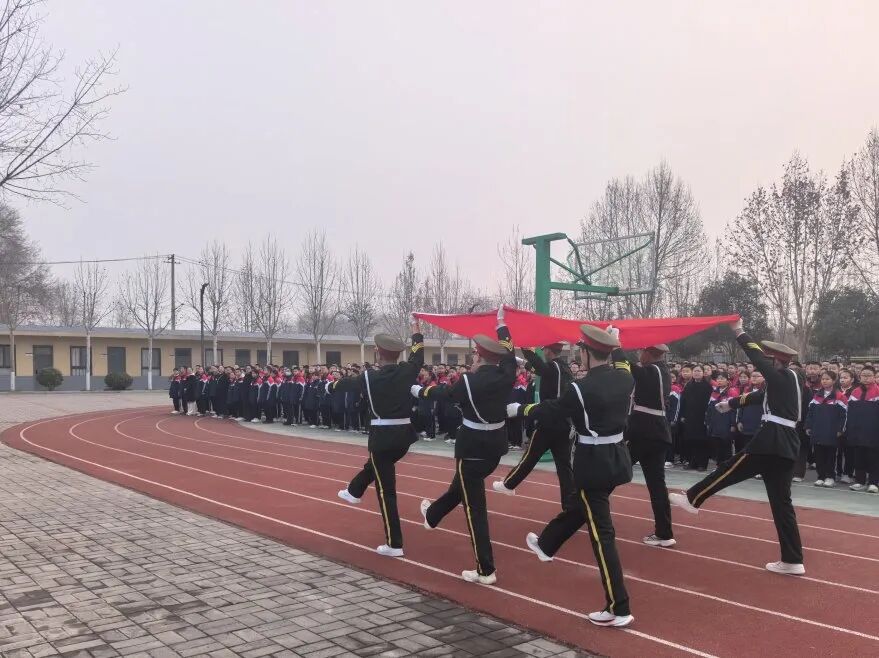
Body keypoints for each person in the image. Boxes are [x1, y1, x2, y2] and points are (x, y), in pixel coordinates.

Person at [509, 324, 634, 627]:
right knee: (582, 506)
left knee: (602, 534)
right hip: (617, 458)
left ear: (587, 353)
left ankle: (618, 607)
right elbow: (622, 362)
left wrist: (521, 410)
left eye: (581, 351)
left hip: (593, 463)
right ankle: (547, 544)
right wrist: (615, 342)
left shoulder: (581, 388)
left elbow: (554, 410)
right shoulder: (625, 378)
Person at [670, 318, 806, 576]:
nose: (763, 365)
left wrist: (739, 332)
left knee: (728, 469)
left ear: (775, 360)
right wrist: (731, 404)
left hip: (771, 440)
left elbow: (757, 360)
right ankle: (792, 559)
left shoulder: (782, 376)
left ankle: (692, 499)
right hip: (786, 444)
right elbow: (758, 396)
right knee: (782, 505)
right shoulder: (789, 380)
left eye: (768, 360)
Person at [415, 308, 516, 585]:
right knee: (460, 487)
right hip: (495, 448)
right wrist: (502, 325)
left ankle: (485, 570)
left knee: (475, 509)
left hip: (472, 448)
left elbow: (446, 393)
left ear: (478, 357)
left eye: (474, 355)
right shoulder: (507, 374)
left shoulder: (470, 381)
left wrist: (420, 391)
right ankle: (433, 515)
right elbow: (509, 353)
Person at [336, 319, 424, 557]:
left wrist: (330, 387)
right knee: (376, 466)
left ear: (378, 353)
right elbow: (418, 356)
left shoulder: (369, 377)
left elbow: (347, 384)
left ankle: (394, 544)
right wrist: (416, 332)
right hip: (404, 438)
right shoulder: (407, 371)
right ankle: (354, 490)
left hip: (382, 438)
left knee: (386, 492)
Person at [493, 341, 575, 510]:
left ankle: (509, 484)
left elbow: (541, 368)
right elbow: (540, 369)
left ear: (548, 351)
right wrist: (522, 361)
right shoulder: (563, 367)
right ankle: (569, 505)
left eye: (544, 349)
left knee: (530, 457)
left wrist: (525, 347)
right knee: (564, 467)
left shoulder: (553, 367)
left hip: (549, 422)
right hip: (563, 423)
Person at [612, 343, 676, 548]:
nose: (639, 355)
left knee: (612, 473)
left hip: (644, 434)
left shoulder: (653, 371)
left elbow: (625, 365)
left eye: (641, 352)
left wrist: (615, 345)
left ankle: (582, 512)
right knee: (657, 486)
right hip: (656, 434)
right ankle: (664, 533)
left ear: (648, 353)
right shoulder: (661, 371)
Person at [805, 370, 847, 487]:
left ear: (834, 381)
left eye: (827, 379)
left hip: (831, 432)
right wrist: (808, 426)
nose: (824, 381)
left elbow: (844, 415)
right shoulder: (816, 396)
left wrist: (840, 429)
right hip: (817, 430)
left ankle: (830, 477)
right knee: (818, 455)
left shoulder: (840, 396)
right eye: (823, 379)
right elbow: (810, 413)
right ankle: (821, 477)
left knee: (830, 456)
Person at [847, 366, 879, 493]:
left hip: (874, 431)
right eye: (863, 375)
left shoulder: (877, 392)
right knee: (859, 457)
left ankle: (873, 482)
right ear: (860, 377)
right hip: (857, 431)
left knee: (873, 458)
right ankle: (859, 481)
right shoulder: (855, 392)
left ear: (874, 377)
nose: (866, 378)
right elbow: (849, 413)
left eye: (869, 375)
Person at [679, 364, 712, 471]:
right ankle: (691, 462)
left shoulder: (708, 387)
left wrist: (708, 416)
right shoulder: (688, 385)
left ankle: (702, 464)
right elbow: (683, 402)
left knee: (701, 441)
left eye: (699, 371)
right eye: (695, 371)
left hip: (702, 417)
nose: (696, 373)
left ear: (703, 373)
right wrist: (682, 415)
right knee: (690, 440)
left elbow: (710, 403)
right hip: (689, 417)